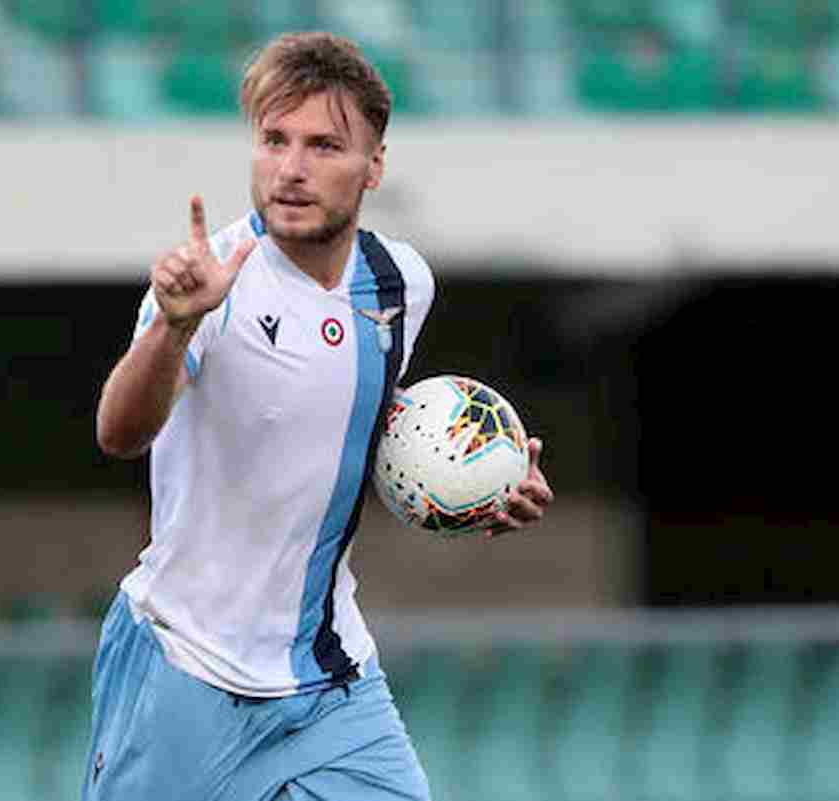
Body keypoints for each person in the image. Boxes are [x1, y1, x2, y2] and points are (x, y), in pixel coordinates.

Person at [88, 31, 553, 801]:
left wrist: (480, 486)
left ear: (374, 165)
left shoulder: (401, 283)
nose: (292, 168)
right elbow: (119, 432)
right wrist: (171, 325)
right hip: (185, 672)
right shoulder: (209, 286)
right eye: (274, 140)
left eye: (324, 145)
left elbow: (358, 419)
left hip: (329, 682)